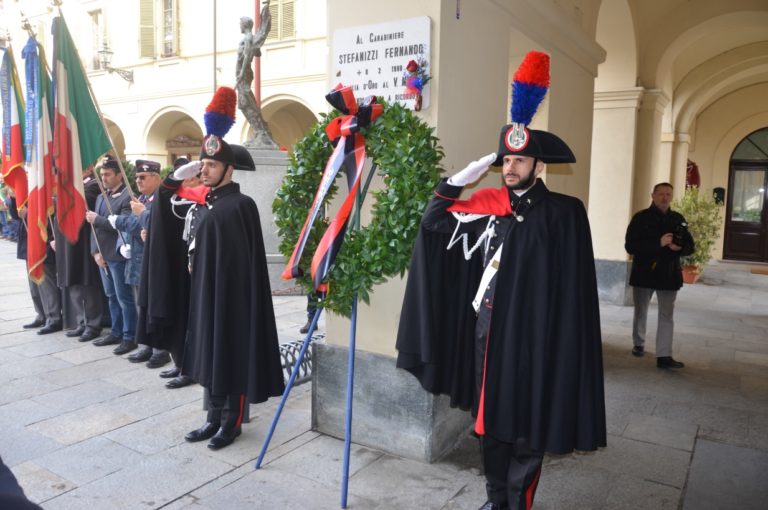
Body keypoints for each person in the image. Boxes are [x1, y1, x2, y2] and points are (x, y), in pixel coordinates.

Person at [395, 51, 605, 510]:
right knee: (489, 425)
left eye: (520, 160)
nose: (510, 168)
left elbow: (574, 294)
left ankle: (518, 501)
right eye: (506, 160)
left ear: (538, 165)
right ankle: (495, 497)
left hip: (535, 340)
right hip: (486, 339)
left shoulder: (564, 214)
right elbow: (432, 225)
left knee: (527, 428)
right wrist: (455, 182)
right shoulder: (486, 207)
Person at [182, 89, 284, 450]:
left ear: (228, 168)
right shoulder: (206, 207)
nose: (204, 170)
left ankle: (231, 422)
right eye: (203, 165)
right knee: (211, 355)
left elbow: (245, 265)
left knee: (232, 356)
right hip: (208, 296)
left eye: (210, 165)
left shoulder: (241, 206)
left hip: (234, 301)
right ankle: (212, 417)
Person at [134, 157, 198, 388]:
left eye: (191, 176)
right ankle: (180, 363)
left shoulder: (200, 199)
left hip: (191, 271)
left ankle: (189, 368)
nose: (187, 181)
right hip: (173, 269)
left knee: (189, 322)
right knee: (176, 320)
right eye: (183, 176)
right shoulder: (173, 199)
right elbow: (162, 201)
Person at [625, 182, 694, 369]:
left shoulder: (678, 219)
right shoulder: (640, 218)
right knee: (641, 311)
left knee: (666, 315)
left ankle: (664, 355)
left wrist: (679, 247)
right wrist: (659, 243)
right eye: (661, 194)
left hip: (669, 274)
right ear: (653, 195)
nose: (665, 198)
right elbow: (630, 246)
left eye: (668, 194)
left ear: (672, 197)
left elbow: (690, 246)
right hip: (644, 273)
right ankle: (638, 343)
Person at [113, 160, 171, 369]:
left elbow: (139, 224)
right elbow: (131, 225)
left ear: (156, 177)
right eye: (136, 177)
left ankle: (160, 350)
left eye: (143, 177)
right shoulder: (143, 199)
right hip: (138, 261)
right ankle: (146, 345)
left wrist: (138, 215)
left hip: (153, 262)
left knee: (154, 307)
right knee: (141, 307)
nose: (138, 180)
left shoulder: (162, 199)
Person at [86, 155, 137, 355]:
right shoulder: (101, 196)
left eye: (107, 174)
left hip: (117, 254)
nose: (104, 178)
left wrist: (98, 219)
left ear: (119, 176)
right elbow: (93, 228)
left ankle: (129, 336)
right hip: (102, 254)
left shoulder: (127, 197)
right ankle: (116, 331)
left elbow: (121, 225)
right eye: (101, 175)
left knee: (124, 298)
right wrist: (95, 251)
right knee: (111, 296)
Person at [55, 165, 104, 343]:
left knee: (87, 284)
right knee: (73, 283)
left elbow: (82, 203)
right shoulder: (68, 186)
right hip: (67, 243)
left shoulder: (92, 185)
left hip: (83, 242)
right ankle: (82, 322)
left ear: (89, 169)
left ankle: (93, 324)